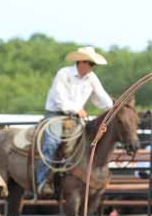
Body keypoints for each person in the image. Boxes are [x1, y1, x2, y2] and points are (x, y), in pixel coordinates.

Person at [37, 46, 113, 196]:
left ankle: (73, 175)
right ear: (81, 62)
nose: (92, 68)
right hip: (56, 115)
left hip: (77, 118)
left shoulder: (91, 78)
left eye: (93, 65)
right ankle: (42, 180)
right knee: (51, 143)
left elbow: (101, 97)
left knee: (88, 142)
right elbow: (59, 98)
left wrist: (113, 106)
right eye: (90, 64)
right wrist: (75, 109)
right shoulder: (63, 74)